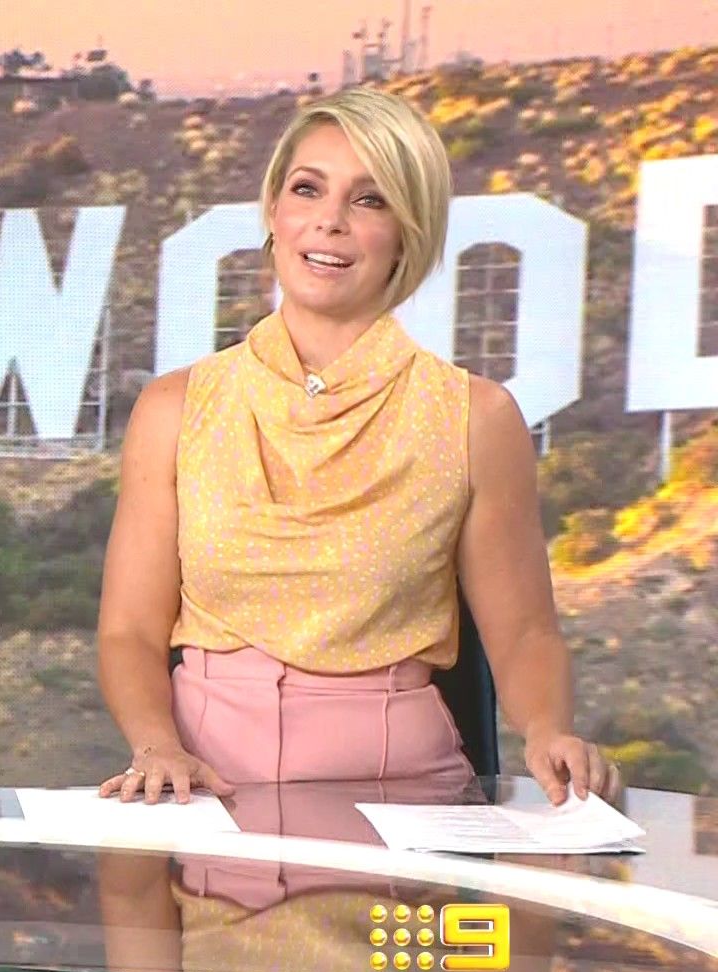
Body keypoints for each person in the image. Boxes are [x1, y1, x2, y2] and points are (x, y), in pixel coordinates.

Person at [94, 86, 616, 806]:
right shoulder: (173, 409)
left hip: (401, 798)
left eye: (370, 200)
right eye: (308, 189)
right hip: (203, 793)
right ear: (274, 211)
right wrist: (158, 746)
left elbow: (525, 632)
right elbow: (128, 631)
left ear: (408, 232)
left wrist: (549, 730)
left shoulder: (477, 419)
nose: (330, 221)